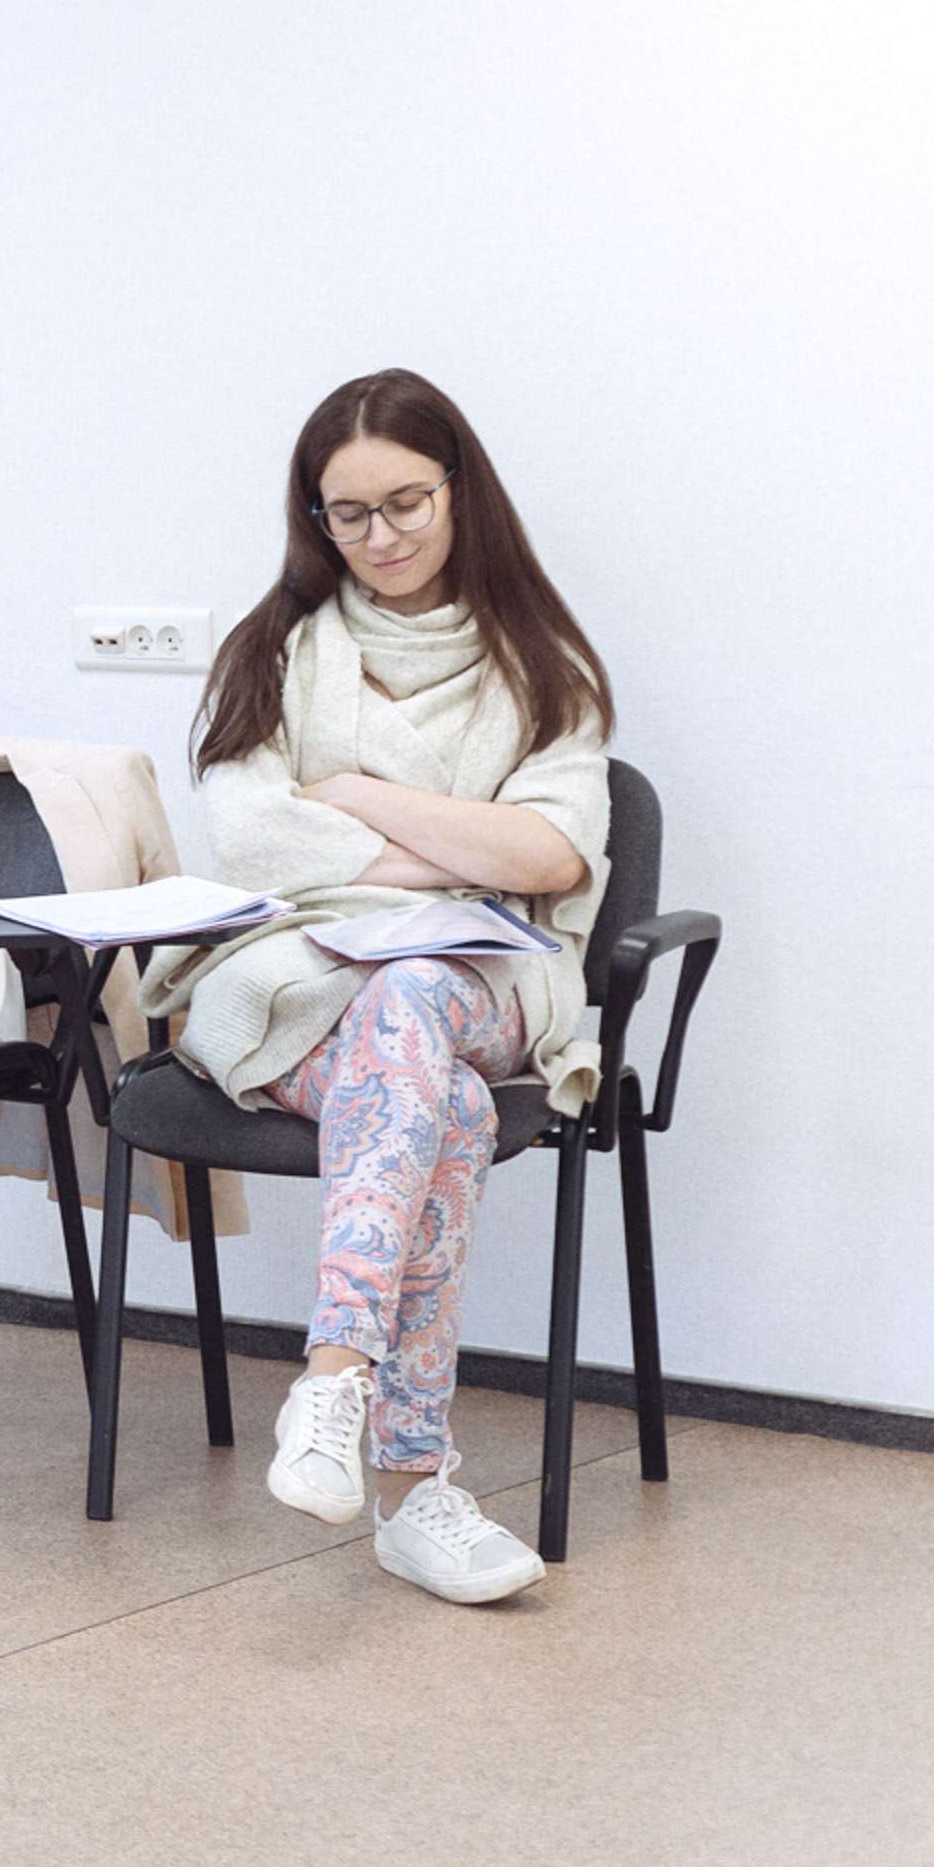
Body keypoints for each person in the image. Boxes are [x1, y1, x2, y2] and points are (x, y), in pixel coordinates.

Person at [146, 369, 615, 1605]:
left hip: (486, 973)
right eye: (347, 513)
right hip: (303, 976)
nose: (381, 536)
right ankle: (412, 1491)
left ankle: (334, 1373)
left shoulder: (545, 664)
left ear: (460, 490)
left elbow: (549, 857)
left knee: (411, 994)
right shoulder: (275, 650)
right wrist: (460, 841)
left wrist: (355, 798)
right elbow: (255, 843)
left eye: (405, 502)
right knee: (441, 1105)